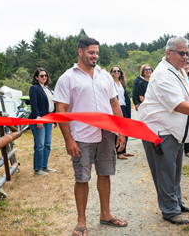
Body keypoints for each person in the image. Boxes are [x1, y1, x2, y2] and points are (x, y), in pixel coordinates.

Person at [138, 37, 189, 225]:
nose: (185, 57)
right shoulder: (163, 74)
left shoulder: (177, 70)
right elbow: (179, 105)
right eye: (181, 53)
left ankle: (176, 202)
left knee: (174, 171)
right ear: (168, 53)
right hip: (160, 131)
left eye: (187, 53)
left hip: (174, 131)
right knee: (165, 171)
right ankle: (170, 210)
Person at [53, 37, 128, 236]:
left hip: (106, 134)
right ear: (80, 51)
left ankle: (105, 214)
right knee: (82, 178)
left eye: (96, 53)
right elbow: (61, 110)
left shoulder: (105, 76)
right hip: (81, 136)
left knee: (105, 173)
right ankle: (81, 222)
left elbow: (114, 104)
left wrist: (120, 130)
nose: (95, 56)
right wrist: (69, 139)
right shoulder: (67, 78)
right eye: (91, 52)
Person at [29, 68, 56, 176]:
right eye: (41, 76)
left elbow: (51, 104)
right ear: (36, 77)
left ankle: (45, 166)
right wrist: (38, 119)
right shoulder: (34, 88)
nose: (44, 77)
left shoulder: (48, 89)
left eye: (45, 75)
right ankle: (38, 169)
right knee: (39, 145)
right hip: (38, 119)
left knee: (47, 144)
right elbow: (34, 105)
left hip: (49, 119)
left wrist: (55, 118)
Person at [110, 65, 134, 160]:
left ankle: (124, 150)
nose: (116, 72)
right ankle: (118, 152)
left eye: (118, 71)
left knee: (126, 130)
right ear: (111, 73)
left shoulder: (121, 83)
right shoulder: (111, 84)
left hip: (124, 108)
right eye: (114, 71)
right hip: (116, 108)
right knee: (118, 130)